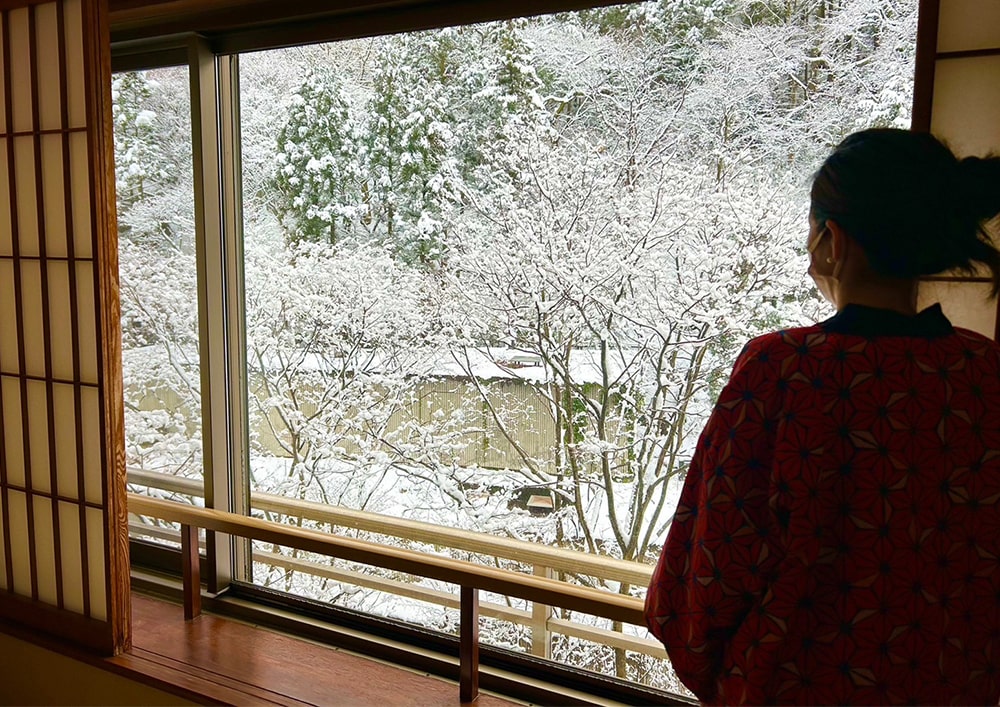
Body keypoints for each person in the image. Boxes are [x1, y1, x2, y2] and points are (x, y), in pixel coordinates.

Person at [644, 128, 1000, 705]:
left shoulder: (783, 369)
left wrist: (720, 666)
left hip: (796, 684)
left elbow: (710, 563)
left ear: (832, 238)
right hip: (950, 681)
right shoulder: (984, 369)